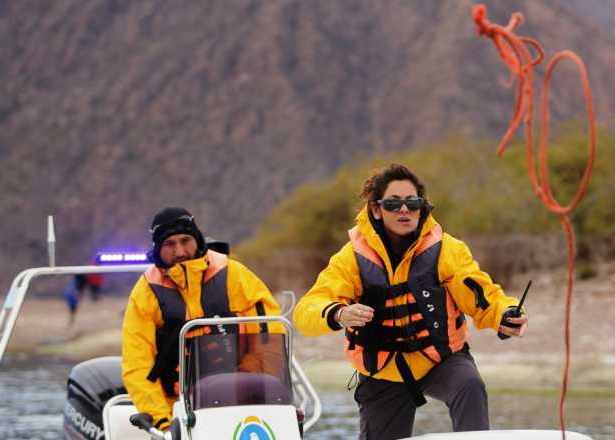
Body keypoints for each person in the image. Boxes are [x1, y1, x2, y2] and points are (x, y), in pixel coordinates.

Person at [293, 164, 529, 439]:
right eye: (393, 204)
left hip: (440, 360)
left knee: (470, 385)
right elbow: (306, 310)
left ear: (422, 206)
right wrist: (339, 314)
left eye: (412, 202)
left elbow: (481, 294)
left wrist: (505, 315)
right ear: (377, 209)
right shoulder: (351, 258)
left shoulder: (447, 249)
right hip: (383, 372)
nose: (404, 210)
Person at [121, 207, 283, 432]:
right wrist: (164, 423)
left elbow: (269, 336)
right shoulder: (146, 292)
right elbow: (137, 364)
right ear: (158, 248)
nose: (179, 251)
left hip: (241, 400)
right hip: (175, 409)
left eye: (185, 240)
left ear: (196, 239)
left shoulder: (235, 276)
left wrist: (247, 385)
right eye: (169, 244)